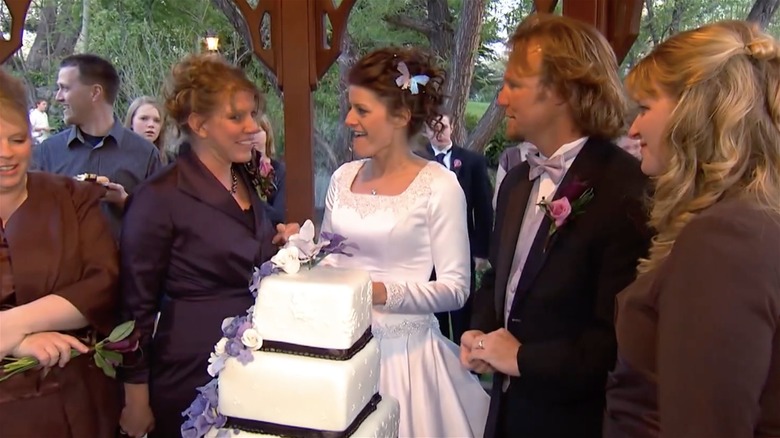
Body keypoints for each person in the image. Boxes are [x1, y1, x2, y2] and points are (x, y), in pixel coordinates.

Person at [461, 14, 651, 438]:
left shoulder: (625, 189)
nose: (502, 98)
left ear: (561, 91)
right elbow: (499, 279)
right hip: (505, 417)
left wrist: (523, 359)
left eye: (513, 84)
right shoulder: (514, 182)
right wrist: (480, 329)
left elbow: (617, 340)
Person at [605, 20, 780, 438]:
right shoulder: (752, 219)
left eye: (645, 108)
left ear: (694, 111)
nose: (633, 129)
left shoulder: (725, 239)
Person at [117, 54, 299, 438]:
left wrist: (280, 243)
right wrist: (136, 400)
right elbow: (134, 310)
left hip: (257, 363)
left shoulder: (247, 179)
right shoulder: (158, 197)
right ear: (198, 124)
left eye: (252, 114)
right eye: (237, 118)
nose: (252, 127)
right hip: (191, 371)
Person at [320, 46, 489, 438]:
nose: (349, 120)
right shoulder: (342, 178)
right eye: (351, 109)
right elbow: (327, 259)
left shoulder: (439, 186)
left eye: (361, 111)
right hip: (339, 352)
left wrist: (381, 293)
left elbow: (456, 289)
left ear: (399, 115)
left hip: (405, 361)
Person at [0, 69, 121, 437]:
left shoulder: (72, 197)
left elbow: (103, 283)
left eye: (17, 139)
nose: (6, 153)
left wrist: (11, 325)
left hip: (73, 405)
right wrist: (21, 344)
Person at [33, 54, 162, 238]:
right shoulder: (47, 152)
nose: (58, 97)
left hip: (122, 265)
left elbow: (162, 226)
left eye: (65, 88)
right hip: (60, 265)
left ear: (95, 92)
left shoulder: (146, 155)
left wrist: (126, 203)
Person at [420, 113, 493, 343]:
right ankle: (437, 365)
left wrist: (481, 251)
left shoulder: (472, 161)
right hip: (426, 252)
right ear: (426, 131)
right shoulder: (416, 161)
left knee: (463, 311)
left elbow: (483, 209)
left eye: (444, 127)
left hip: (462, 248)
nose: (439, 132)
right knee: (434, 314)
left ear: (453, 128)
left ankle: (466, 366)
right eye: (434, 127)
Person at [250, 113, 286, 225]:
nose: (252, 137)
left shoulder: (279, 171)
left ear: (267, 134)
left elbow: (278, 215)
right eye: (249, 134)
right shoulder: (241, 171)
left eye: (257, 132)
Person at [125, 96, 175, 164]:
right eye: (144, 118)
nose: (151, 125)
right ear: (131, 122)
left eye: (157, 121)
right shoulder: (115, 156)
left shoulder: (172, 161)